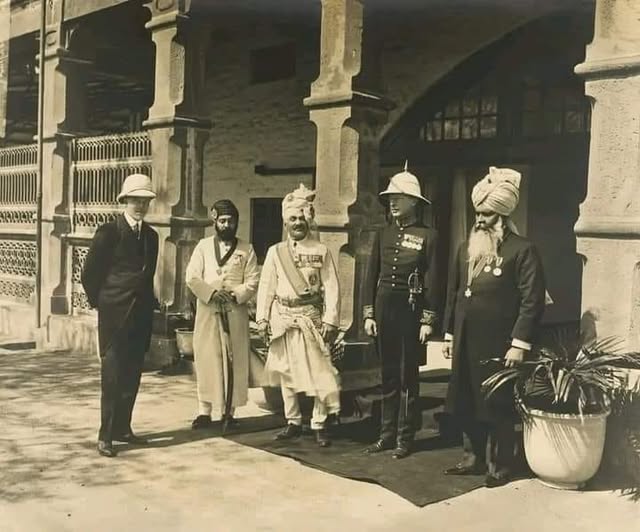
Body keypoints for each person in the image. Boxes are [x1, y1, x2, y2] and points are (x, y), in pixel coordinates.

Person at [442, 166, 546, 487]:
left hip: (499, 343)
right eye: (477, 213)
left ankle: (500, 464)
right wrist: (448, 333)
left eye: (486, 214)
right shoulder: (466, 248)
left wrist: (519, 343)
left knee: (496, 403)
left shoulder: (522, 250)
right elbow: (455, 292)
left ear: (502, 216)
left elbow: (532, 300)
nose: (479, 220)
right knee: (465, 397)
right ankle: (471, 457)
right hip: (465, 339)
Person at [362, 164, 438, 459]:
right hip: (384, 311)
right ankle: (385, 435)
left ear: (414, 202)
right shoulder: (383, 234)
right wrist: (369, 314)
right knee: (388, 375)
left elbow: (433, 281)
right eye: (390, 197)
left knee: (408, 379)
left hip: (411, 312)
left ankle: (405, 439)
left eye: (399, 197)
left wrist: (428, 319)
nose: (392, 202)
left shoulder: (428, 236)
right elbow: (371, 276)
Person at [255, 184, 341, 447]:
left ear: (309, 219)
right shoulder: (275, 252)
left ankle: (318, 423)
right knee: (287, 372)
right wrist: (262, 318)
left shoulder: (321, 250)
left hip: (310, 318)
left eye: (302, 217)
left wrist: (330, 320)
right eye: (292, 218)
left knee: (318, 372)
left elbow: (332, 287)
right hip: (283, 318)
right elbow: (266, 286)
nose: (298, 222)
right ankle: (292, 421)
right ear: (285, 221)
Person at [81, 173, 159, 458]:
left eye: (145, 200)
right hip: (114, 314)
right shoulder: (109, 232)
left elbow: (148, 276)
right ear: (124, 200)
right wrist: (102, 303)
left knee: (133, 373)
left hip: (140, 315)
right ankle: (106, 436)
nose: (140, 205)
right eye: (135, 200)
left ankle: (123, 429)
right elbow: (90, 274)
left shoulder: (152, 236)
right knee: (112, 375)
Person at [186, 200, 260, 429]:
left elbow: (253, 280)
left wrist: (235, 294)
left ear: (237, 222)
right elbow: (192, 277)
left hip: (235, 313)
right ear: (215, 222)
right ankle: (204, 411)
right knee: (208, 359)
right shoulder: (203, 246)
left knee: (234, 360)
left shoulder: (246, 249)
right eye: (222, 221)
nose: (227, 225)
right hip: (208, 312)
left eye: (231, 221)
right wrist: (211, 293)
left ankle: (230, 412)